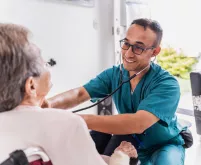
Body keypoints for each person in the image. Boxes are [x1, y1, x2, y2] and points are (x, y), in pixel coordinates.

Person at [44, 18, 186, 165]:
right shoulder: (115, 74)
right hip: (130, 141)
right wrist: (46, 105)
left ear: (155, 51)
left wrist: (75, 120)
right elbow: (80, 94)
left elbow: (138, 123)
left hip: (163, 145)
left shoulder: (167, 84)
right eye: (126, 44)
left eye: (138, 47)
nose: (128, 54)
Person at [0, 23, 138, 165]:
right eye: (44, 63)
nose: (48, 66)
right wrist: (122, 157)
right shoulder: (65, 124)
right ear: (31, 85)